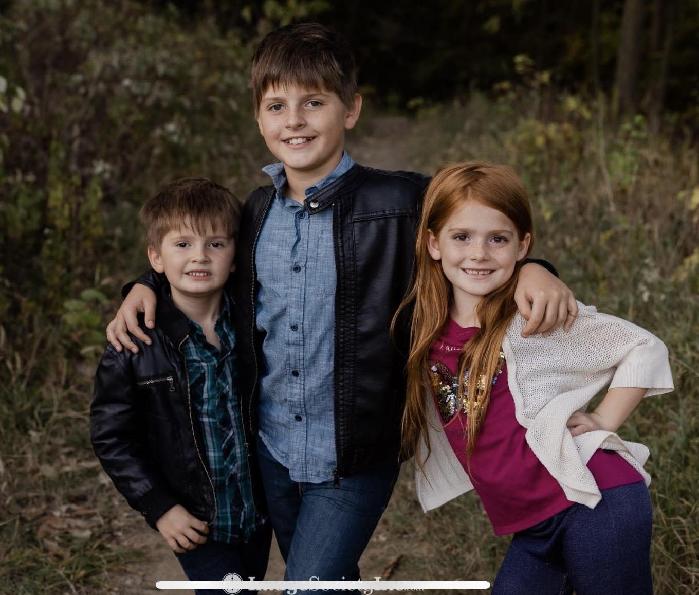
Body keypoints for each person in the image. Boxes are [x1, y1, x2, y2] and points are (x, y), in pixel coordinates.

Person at [103, 24, 577, 591]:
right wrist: (145, 284)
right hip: (272, 450)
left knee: (309, 583)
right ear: (259, 118)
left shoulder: (400, 202)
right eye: (276, 106)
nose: (294, 120)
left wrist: (534, 267)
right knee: (330, 579)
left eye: (314, 103)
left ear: (350, 109)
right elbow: (198, 257)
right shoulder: (253, 212)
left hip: (355, 455)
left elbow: (481, 228)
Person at [397, 161, 674, 595]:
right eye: (461, 236)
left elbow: (644, 346)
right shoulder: (427, 327)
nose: (479, 253)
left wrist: (603, 420)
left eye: (498, 239)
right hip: (534, 525)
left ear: (522, 245)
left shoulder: (531, 319)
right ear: (434, 243)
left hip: (594, 498)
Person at [90, 178, 271, 594]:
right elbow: (112, 436)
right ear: (156, 257)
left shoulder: (252, 322)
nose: (200, 256)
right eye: (183, 244)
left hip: (256, 513)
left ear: (236, 256)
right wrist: (160, 507)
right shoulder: (134, 343)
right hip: (194, 519)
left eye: (216, 244)